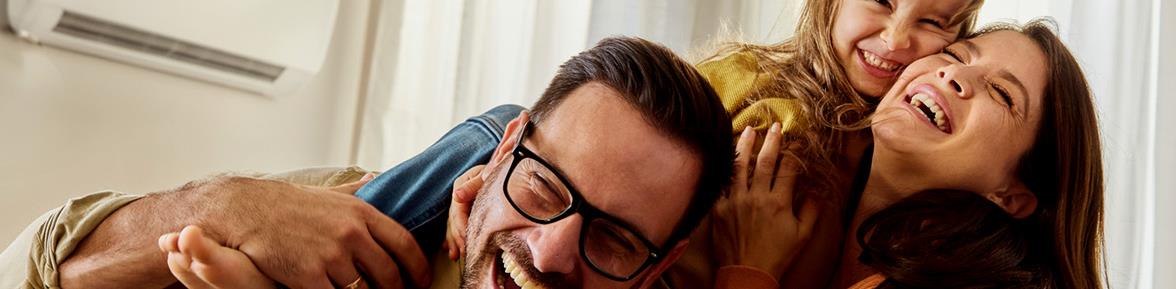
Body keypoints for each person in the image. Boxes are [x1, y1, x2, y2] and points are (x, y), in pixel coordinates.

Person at [159, 19, 1105, 289]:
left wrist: (748, 266)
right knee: (493, 132)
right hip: (521, 214)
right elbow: (630, 137)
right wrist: (496, 187)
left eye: (1000, 95)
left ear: (1021, 193)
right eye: (962, 58)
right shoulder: (796, 131)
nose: (937, 64)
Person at [0, 36, 735, 289]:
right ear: (509, 151)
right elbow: (23, 269)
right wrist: (214, 207)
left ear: (653, 269)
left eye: (613, 238)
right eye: (545, 186)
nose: (550, 250)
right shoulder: (350, 219)